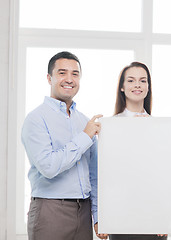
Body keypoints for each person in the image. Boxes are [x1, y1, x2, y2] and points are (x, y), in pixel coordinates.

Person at [21, 51, 106, 240]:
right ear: (49, 78)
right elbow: (48, 167)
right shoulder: (36, 119)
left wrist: (98, 215)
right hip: (50, 211)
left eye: (75, 74)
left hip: (83, 212)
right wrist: (84, 136)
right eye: (62, 73)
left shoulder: (84, 121)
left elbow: (94, 175)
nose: (69, 79)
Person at [109, 61, 167, 240]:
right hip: (121, 216)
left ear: (148, 87)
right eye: (131, 80)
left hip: (153, 217)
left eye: (143, 81)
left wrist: (165, 216)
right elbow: (109, 174)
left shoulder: (159, 127)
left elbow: (164, 176)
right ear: (122, 87)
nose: (137, 85)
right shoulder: (110, 126)